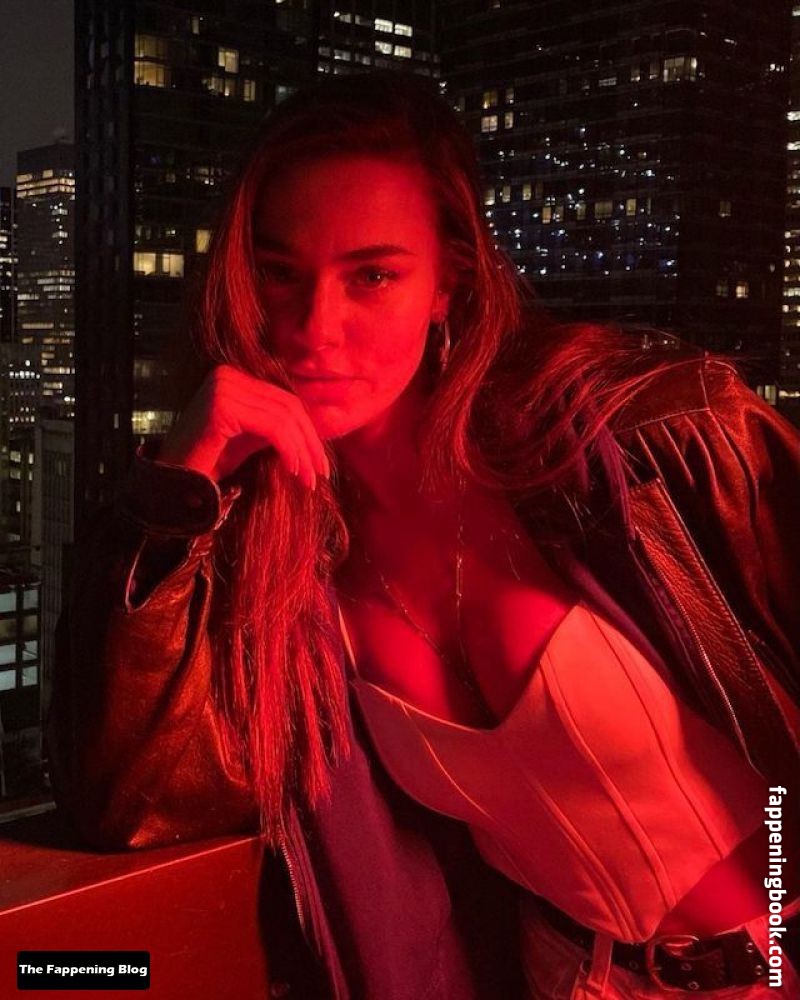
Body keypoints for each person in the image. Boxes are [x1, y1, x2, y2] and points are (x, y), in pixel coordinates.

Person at [48, 71, 800, 999]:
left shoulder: (652, 446)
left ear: (449, 282)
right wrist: (178, 487)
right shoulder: (281, 561)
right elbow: (126, 801)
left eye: (372, 275)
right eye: (280, 273)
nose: (315, 328)